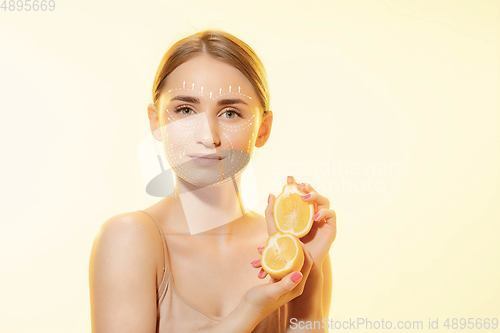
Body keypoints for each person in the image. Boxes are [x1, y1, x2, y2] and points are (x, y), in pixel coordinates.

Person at [89, 29, 337, 333]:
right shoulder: (129, 237)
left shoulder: (288, 245)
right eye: (185, 110)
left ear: (263, 129)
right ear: (156, 121)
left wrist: (307, 275)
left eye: (230, 113)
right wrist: (249, 310)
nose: (208, 136)